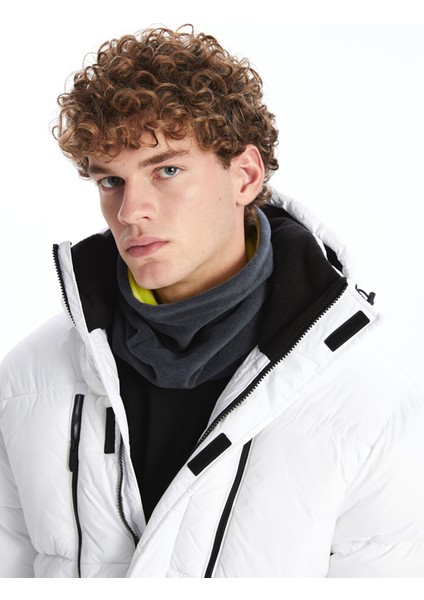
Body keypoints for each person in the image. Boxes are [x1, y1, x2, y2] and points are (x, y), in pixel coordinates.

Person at [1, 25, 423, 579]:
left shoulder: (367, 405)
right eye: (110, 182)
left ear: (245, 175)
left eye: (167, 170)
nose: (130, 212)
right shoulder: (29, 382)